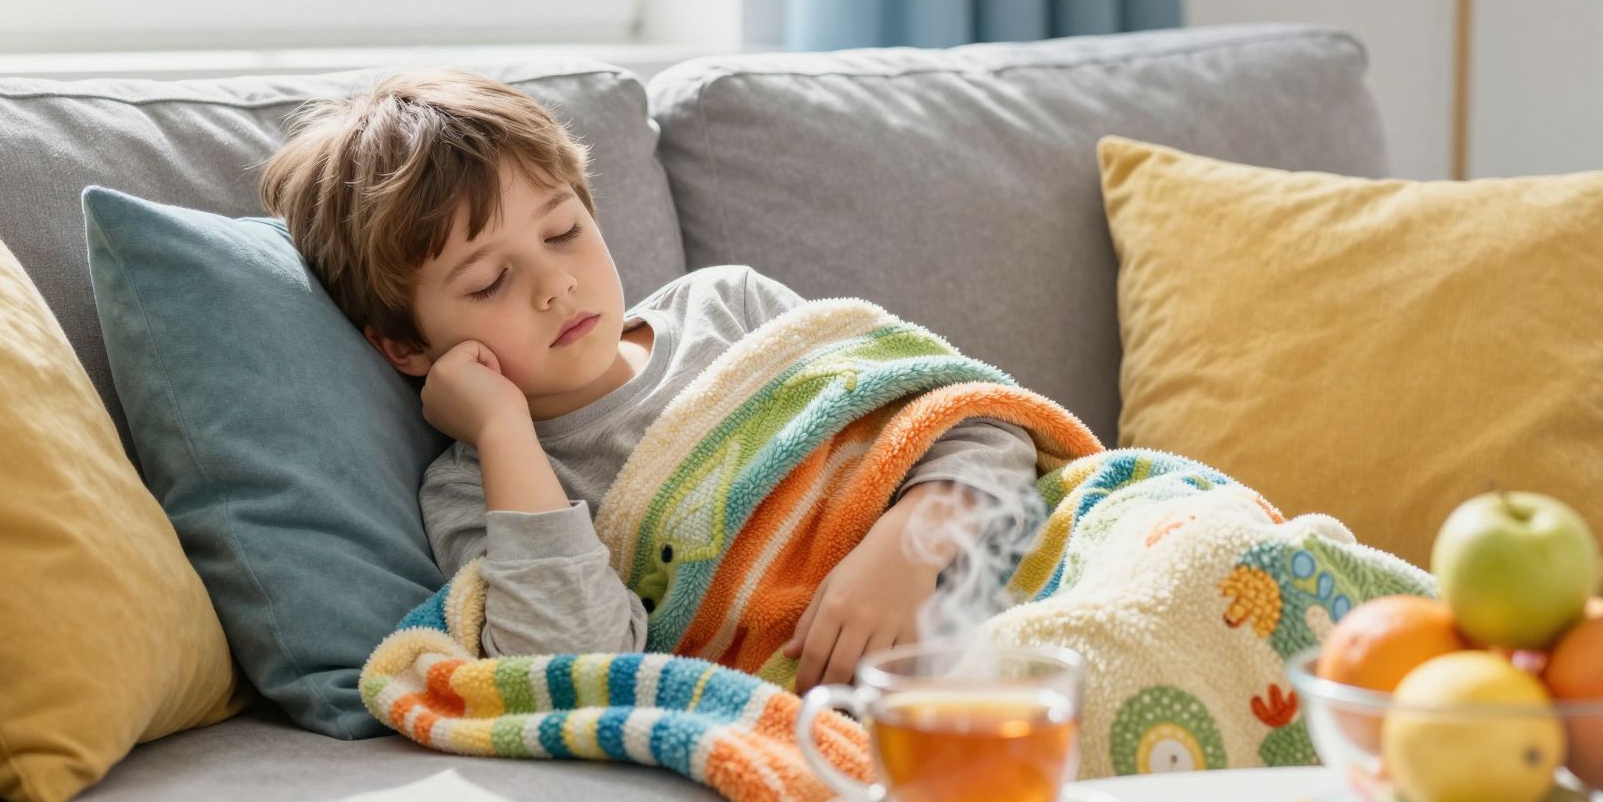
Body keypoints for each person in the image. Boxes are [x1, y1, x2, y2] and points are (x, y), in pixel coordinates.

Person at [260, 70, 1038, 690]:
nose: (556, 285)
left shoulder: (730, 307)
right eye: (490, 281)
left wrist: (906, 549)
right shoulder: (478, 490)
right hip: (894, 685)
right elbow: (577, 668)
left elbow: (980, 418)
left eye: (563, 231)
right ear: (406, 347)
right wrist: (502, 428)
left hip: (1004, 570)